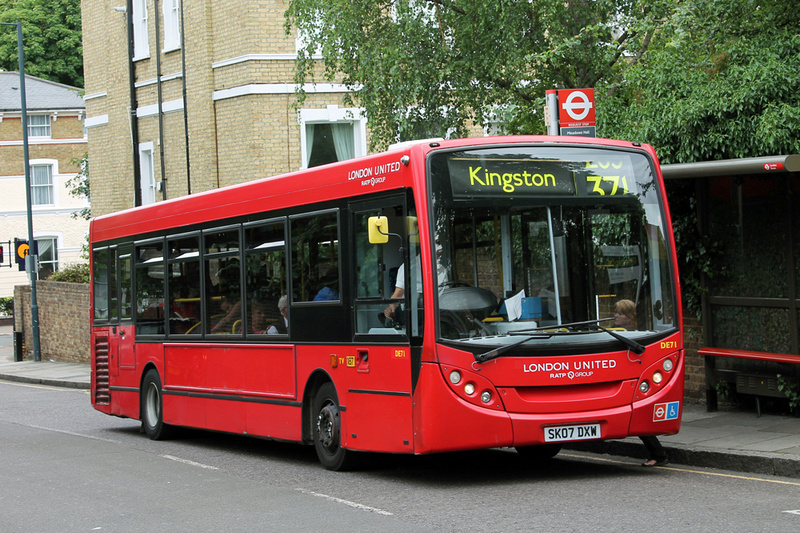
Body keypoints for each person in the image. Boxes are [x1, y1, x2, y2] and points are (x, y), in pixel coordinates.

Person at [614, 298, 670, 466]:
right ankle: (659, 455)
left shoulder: (638, 333)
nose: (616, 315)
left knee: (639, 416)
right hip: (625, 376)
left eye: (620, 313)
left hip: (636, 376)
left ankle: (659, 455)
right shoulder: (616, 331)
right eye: (616, 312)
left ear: (630, 316)